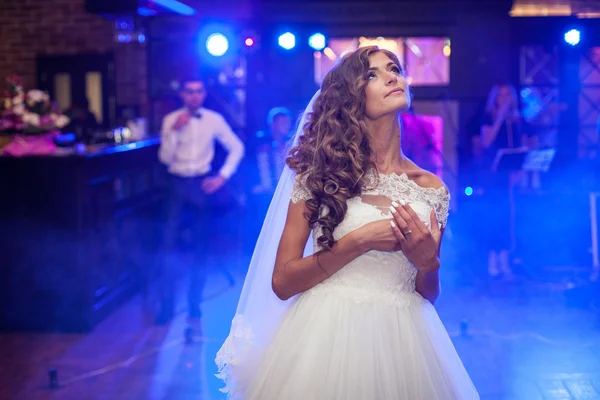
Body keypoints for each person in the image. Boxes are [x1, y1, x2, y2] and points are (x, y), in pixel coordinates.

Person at [216, 46, 478, 399]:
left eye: (394, 69)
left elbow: (427, 293)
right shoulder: (319, 176)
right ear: (350, 97)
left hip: (404, 341)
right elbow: (282, 282)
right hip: (325, 337)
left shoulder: (432, 189)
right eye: (372, 74)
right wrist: (360, 240)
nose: (391, 76)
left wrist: (428, 264)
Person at [156, 76, 244, 324]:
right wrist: (174, 132)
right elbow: (164, 158)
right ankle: (167, 307)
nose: (194, 96)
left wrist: (222, 177)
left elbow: (237, 147)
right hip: (176, 185)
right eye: (189, 91)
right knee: (168, 248)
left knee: (200, 247)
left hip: (201, 187)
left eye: (198, 91)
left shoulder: (213, 120)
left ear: (203, 94)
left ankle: (194, 304)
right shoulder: (171, 120)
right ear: (182, 95)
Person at [479, 82, 526, 280]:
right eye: (501, 95)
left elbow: (520, 147)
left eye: (508, 95)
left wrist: (520, 168)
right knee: (494, 216)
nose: (505, 99)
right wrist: (500, 116)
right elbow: (486, 141)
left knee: (508, 218)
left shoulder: (515, 121)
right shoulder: (489, 116)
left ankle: (505, 261)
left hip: (509, 176)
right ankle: (492, 261)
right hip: (493, 175)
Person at [252, 107, 293, 194]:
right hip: (264, 190)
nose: (287, 126)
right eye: (283, 122)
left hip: (285, 188)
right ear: (273, 124)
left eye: (288, 122)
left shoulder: (292, 141)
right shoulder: (261, 140)